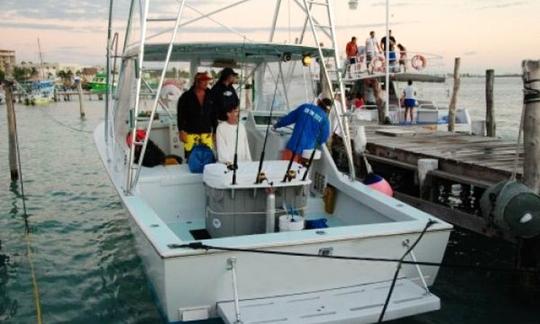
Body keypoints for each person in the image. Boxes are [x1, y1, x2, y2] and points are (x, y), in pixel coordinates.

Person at [273, 97, 331, 163]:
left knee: (284, 169)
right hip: (307, 152)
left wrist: (277, 125)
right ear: (327, 110)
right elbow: (323, 138)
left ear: (318, 102)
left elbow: (288, 119)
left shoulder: (304, 107)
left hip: (292, 146)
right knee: (300, 171)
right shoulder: (325, 119)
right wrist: (316, 143)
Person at [177, 72, 216, 159]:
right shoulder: (185, 96)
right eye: (203, 81)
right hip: (190, 132)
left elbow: (214, 114)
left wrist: (215, 131)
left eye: (207, 81)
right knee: (191, 158)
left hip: (206, 132)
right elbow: (180, 115)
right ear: (197, 82)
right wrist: (181, 130)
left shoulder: (211, 95)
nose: (206, 83)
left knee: (207, 159)